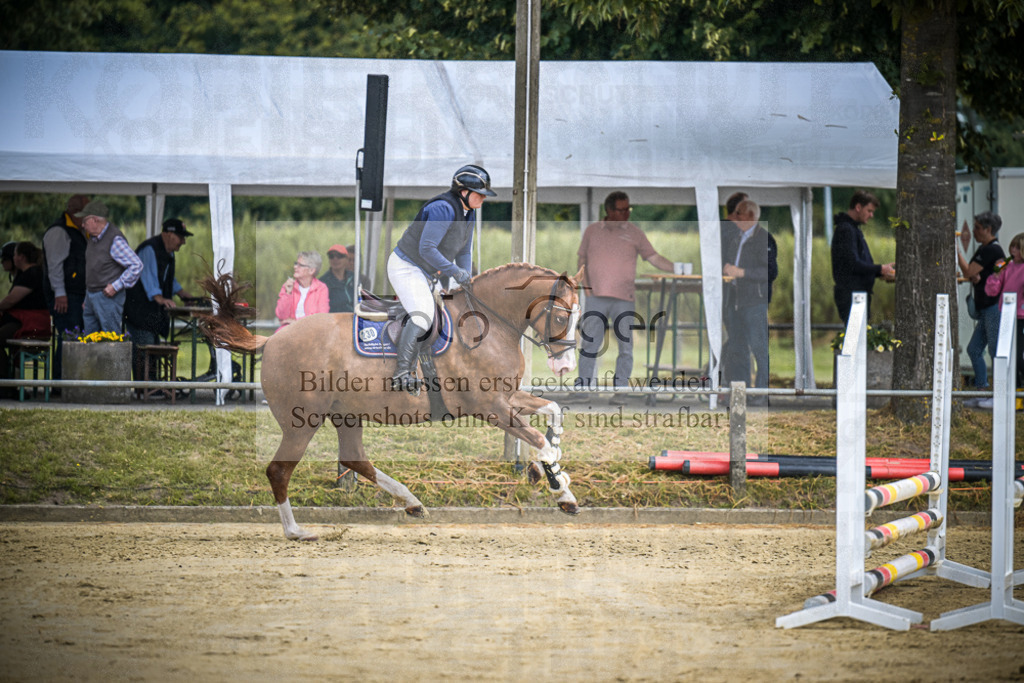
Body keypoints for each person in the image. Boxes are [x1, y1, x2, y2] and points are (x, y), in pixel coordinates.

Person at [387, 164, 495, 393]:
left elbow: (464, 252)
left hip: (424, 272)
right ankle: (402, 373)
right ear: (463, 191)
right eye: (480, 194)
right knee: (423, 315)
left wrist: (468, 281)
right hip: (406, 267)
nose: (483, 199)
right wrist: (455, 272)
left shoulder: (469, 213)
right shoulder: (442, 208)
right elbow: (427, 249)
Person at [576, 191, 676, 396]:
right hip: (596, 297)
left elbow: (654, 257)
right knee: (590, 344)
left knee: (625, 347)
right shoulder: (592, 231)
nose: (627, 214)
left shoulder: (635, 233)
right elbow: (581, 261)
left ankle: (620, 389)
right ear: (609, 211)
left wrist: (678, 269)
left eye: (628, 209)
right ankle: (583, 388)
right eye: (622, 210)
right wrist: (586, 290)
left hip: (624, 299)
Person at [124, 218, 195, 389]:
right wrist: (161, 299)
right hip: (139, 312)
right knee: (145, 348)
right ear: (168, 234)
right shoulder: (149, 249)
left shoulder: (168, 253)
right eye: (181, 237)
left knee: (152, 346)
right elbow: (149, 279)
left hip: (150, 314)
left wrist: (183, 294)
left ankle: (152, 387)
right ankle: (145, 388)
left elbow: (168, 278)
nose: (183, 242)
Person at [721, 199, 778, 405]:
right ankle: (740, 392)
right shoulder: (737, 238)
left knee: (758, 348)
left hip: (754, 301)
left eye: (739, 213)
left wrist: (741, 273)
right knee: (738, 348)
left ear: (751, 216)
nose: (734, 217)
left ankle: (762, 394)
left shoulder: (764, 239)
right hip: (735, 299)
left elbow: (770, 272)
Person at [42, 194, 90, 381]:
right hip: (66, 296)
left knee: (74, 338)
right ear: (76, 212)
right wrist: (60, 293)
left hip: (76, 294)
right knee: (68, 338)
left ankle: (70, 380)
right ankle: (61, 382)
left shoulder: (76, 230)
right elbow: (54, 265)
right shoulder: (59, 231)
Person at [959, 211, 1007, 393]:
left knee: (995, 351)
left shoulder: (991, 250)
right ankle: (982, 387)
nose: (974, 231)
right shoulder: (986, 248)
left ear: (988, 229)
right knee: (973, 349)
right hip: (986, 307)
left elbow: (968, 271)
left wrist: (956, 252)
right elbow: (978, 273)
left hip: (993, 307)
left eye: (978, 228)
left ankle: (999, 392)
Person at [78, 199, 143, 335]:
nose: (82, 225)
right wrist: (88, 296)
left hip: (108, 297)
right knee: (89, 340)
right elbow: (93, 270)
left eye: (85, 221)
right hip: (92, 295)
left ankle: (112, 358)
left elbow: (136, 265)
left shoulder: (114, 240)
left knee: (111, 340)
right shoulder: (93, 239)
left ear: (95, 220)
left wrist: (116, 285)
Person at [830, 190, 895, 324]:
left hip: (857, 295)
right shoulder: (846, 230)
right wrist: (879, 269)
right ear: (858, 207)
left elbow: (856, 266)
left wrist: (880, 272)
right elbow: (853, 264)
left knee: (859, 338)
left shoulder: (852, 229)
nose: (871, 215)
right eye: (869, 211)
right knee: (854, 339)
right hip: (851, 296)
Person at [0, 242, 50, 395]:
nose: (13, 258)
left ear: (21, 257)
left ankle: (6, 386)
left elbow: (11, 300)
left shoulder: (31, 274)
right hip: (27, 321)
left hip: (30, 323)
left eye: (15, 255)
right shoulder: (29, 273)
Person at [981, 231, 1024, 410]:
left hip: (1021, 317)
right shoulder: (1006, 265)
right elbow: (992, 290)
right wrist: (996, 276)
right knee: (1005, 355)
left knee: (1019, 358)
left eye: (1017, 247)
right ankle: (1011, 395)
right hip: (1006, 314)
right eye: (1012, 246)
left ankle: (1019, 395)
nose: (1013, 250)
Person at [275, 250, 329, 330]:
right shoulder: (288, 286)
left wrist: (296, 322)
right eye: (296, 263)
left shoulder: (321, 288)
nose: (295, 267)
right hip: (288, 332)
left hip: (311, 332)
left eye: (300, 265)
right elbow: (281, 316)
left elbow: (321, 317)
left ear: (312, 270)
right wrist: (288, 293)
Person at [320, 244, 356, 313]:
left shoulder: (354, 278)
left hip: (354, 319)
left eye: (339, 256)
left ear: (347, 259)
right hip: (334, 320)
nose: (335, 259)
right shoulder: (323, 282)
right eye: (331, 256)